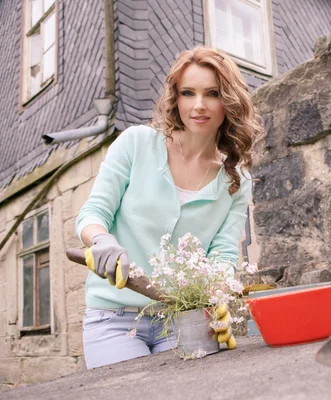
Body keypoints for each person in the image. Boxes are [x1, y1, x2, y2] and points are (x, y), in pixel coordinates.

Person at [75, 46, 261, 369]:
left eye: (212, 93)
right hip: (113, 319)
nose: (199, 105)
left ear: (229, 100)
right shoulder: (135, 144)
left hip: (181, 318)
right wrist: (100, 239)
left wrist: (214, 299)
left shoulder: (236, 179)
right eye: (188, 93)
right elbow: (93, 214)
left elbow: (224, 253)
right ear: (176, 98)